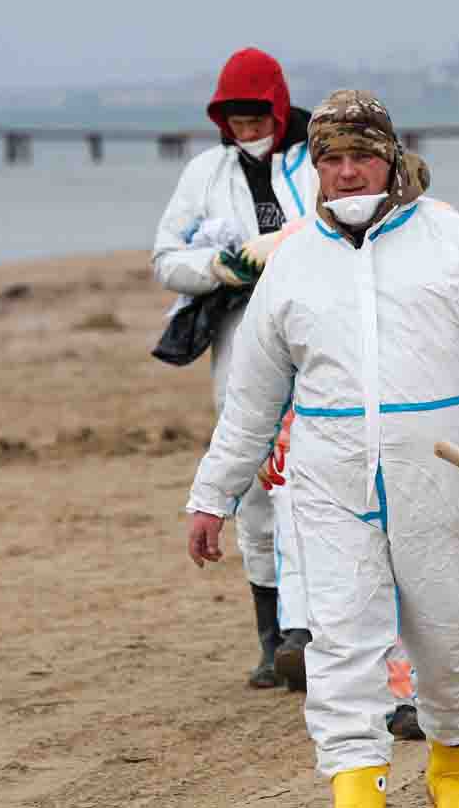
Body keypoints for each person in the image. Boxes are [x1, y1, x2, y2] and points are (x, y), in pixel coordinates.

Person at [185, 90, 459, 807]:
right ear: (318, 169)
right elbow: (252, 399)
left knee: (451, 640)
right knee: (341, 642)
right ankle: (358, 789)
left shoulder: (451, 240)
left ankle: (453, 769)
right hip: (330, 482)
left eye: (364, 156)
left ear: (391, 159)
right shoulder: (294, 260)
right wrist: (213, 496)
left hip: (443, 477)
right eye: (333, 159)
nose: (350, 173)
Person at [153, 47, 317, 690]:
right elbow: (166, 258)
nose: (247, 130)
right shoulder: (203, 173)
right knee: (251, 480)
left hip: (315, 333)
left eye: (257, 117)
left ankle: (316, 630)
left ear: (277, 108)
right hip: (240, 337)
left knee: (318, 475)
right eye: (235, 120)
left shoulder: (317, 159)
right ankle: (272, 638)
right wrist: (220, 266)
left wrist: (285, 246)